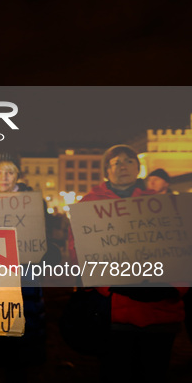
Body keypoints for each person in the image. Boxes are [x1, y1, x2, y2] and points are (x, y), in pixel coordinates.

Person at [68, 144, 187, 382]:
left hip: (159, 312)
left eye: (128, 161)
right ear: (106, 170)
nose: (122, 166)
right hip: (113, 312)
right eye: (116, 162)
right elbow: (78, 252)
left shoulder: (162, 204)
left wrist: (173, 287)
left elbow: (181, 250)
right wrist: (110, 285)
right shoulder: (89, 204)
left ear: (138, 167)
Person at [0, 152, 47, 381]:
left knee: (19, 355)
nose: (4, 177)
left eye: (10, 172)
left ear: (18, 175)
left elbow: (43, 241)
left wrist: (47, 254)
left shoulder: (34, 202)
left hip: (24, 282)